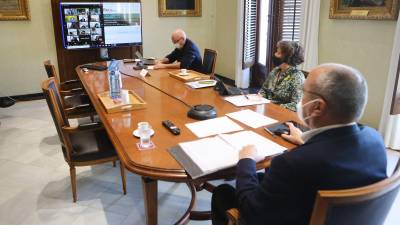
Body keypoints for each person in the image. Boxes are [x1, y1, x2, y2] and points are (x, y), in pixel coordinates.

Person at [211, 63, 387, 225]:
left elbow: (251, 212)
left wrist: (247, 160)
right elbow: (332, 157)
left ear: (317, 107)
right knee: (260, 179)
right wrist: (306, 140)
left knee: (223, 193)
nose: (300, 100)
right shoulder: (376, 140)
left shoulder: (292, 163)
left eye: (303, 93)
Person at [258, 41, 305, 111]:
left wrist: (274, 106)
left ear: (287, 58)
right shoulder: (275, 71)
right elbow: (264, 89)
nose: (275, 54)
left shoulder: (297, 77)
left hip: (282, 113)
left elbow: (296, 105)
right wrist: (260, 96)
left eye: (278, 53)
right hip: (267, 109)